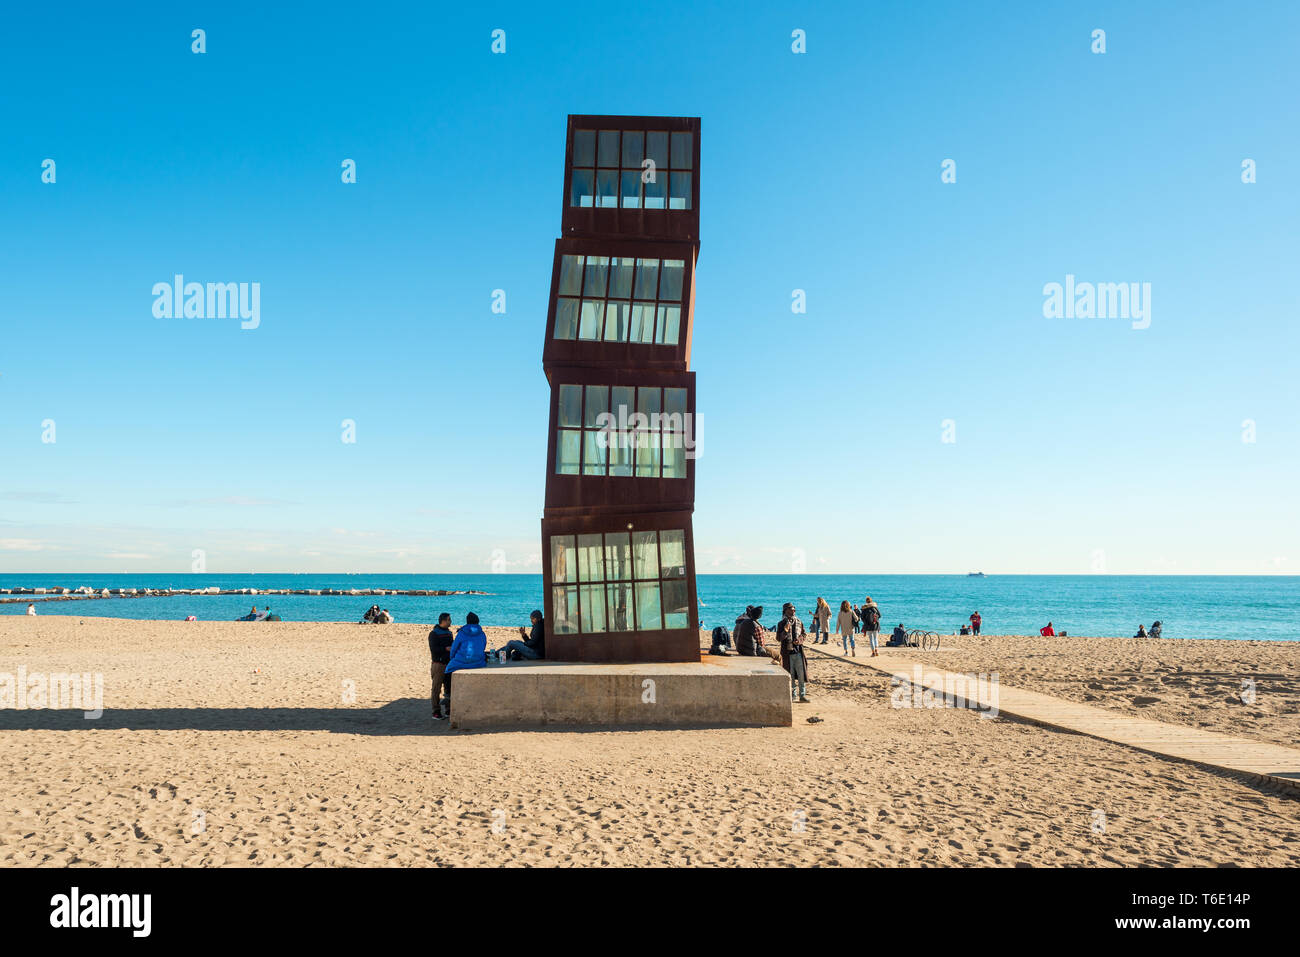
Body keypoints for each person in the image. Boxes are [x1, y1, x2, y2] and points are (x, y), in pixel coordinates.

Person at [444, 612, 488, 711]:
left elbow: (454, 648)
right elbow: (483, 646)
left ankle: (447, 694)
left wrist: (452, 658)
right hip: (478, 662)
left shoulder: (462, 632)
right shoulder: (482, 633)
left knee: (447, 671)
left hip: (462, 661)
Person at [775, 603, 810, 702]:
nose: (793, 611)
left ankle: (802, 695)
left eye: (794, 609)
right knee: (790, 675)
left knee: (801, 674)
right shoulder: (781, 624)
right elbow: (778, 638)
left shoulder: (799, 622)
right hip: (787, 653)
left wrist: (799, 640)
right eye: (791, 609)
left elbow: (804, 634)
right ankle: (793, 695)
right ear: (786, 611)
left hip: (798, 651)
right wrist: (785, 631)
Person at [428, 613, 454, 719]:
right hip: (438, 664)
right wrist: (445, 649)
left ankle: (448, 710)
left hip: (449, 664)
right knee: (436, 689)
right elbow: (433, 649)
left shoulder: (449, 633)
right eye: (449, 619)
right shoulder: (433, 634)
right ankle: (436, 711)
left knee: (448, 688)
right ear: (443, 621)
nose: (450, 621)